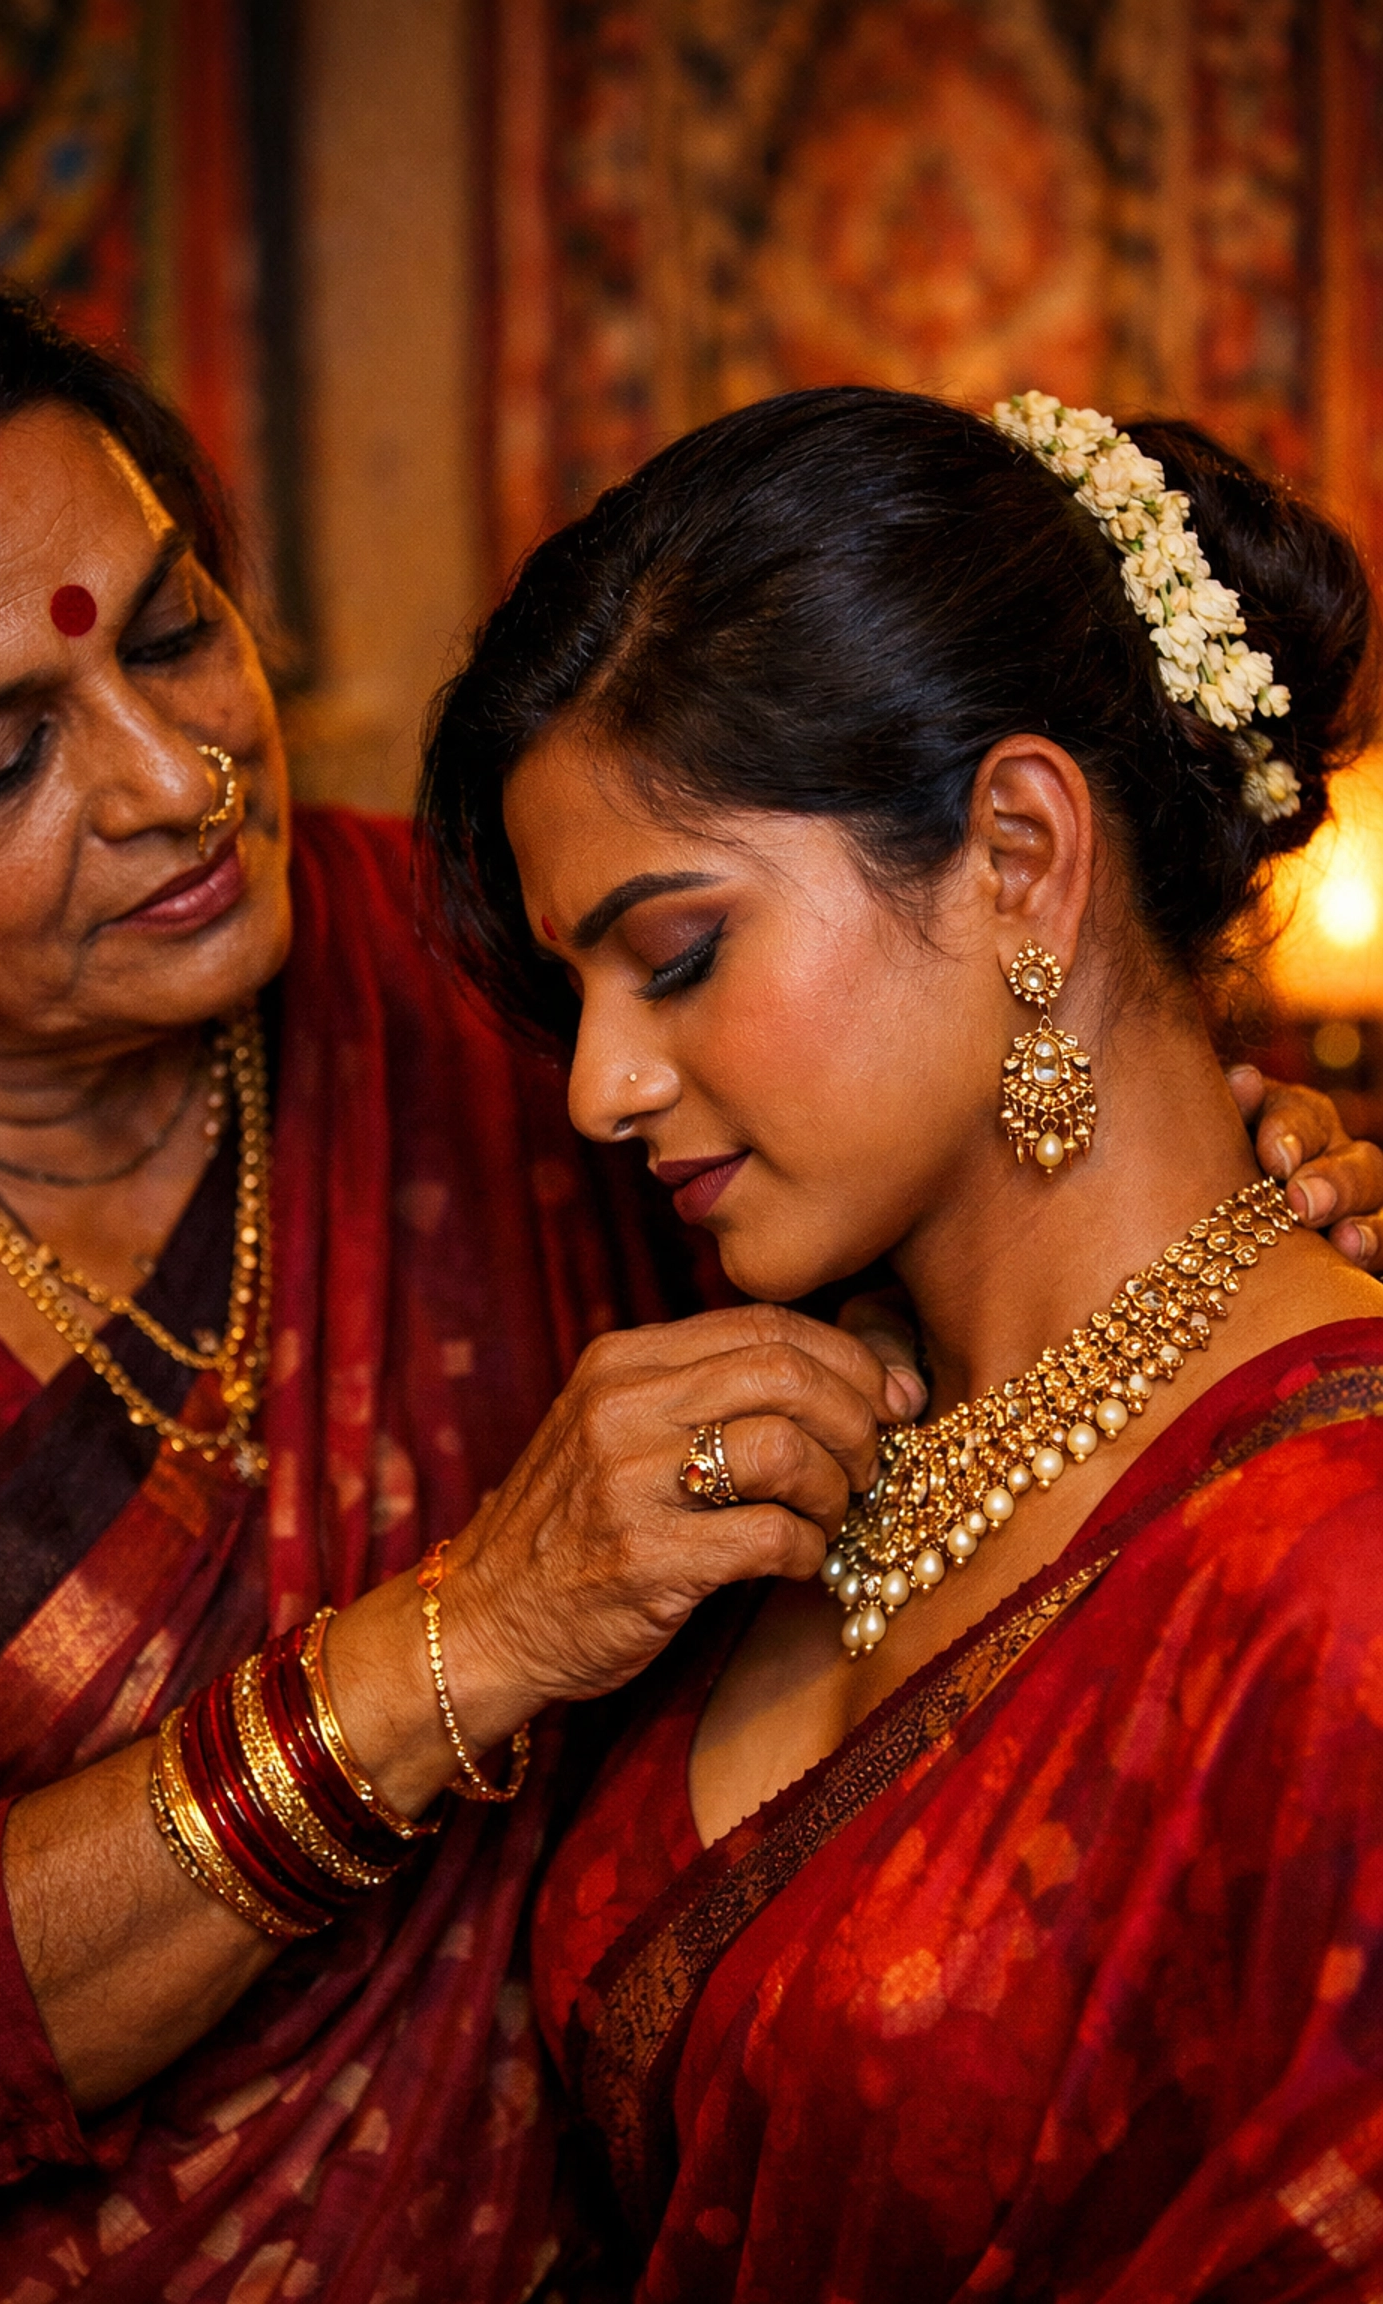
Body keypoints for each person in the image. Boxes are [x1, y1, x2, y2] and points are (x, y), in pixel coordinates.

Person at [417, 384, 1383, 2300]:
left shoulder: (1337, 1571)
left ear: (1020, 850)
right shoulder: (795, 1436)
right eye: (578, 992)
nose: (602, 1082)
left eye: (677, 954)